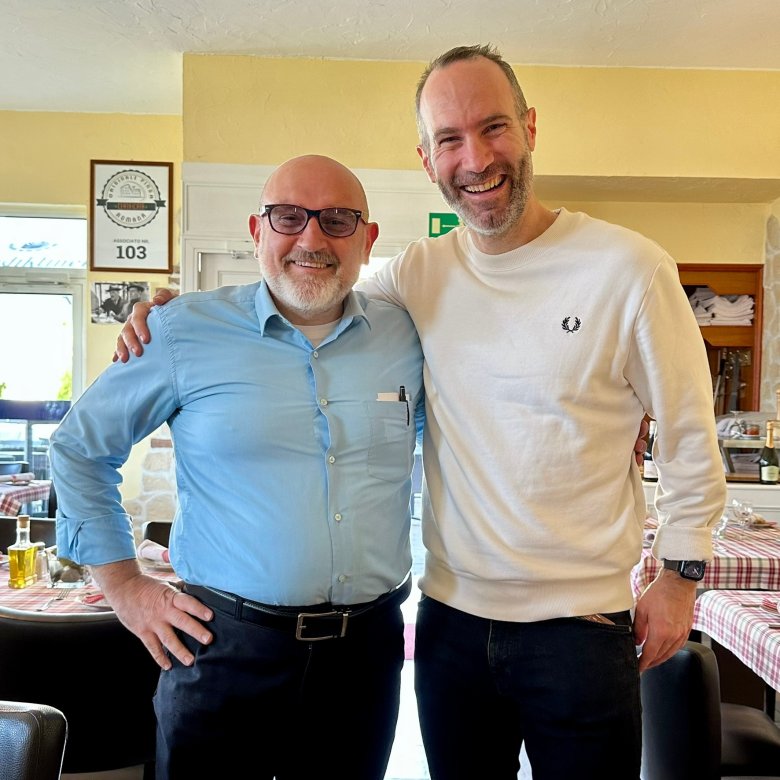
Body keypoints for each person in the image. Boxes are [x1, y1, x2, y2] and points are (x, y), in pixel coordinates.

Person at [116, 45, 726, 780]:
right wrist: (182, 314)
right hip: (450, 626)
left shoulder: (629, 268)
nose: (475, 158)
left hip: (581, 631)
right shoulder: (417, 274)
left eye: (494, 128)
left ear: (530, 128)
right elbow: (315, 295)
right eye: (449, 139)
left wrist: (680, 577)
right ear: (426, 158)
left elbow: (691, 432)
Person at [50, 154, 424, 780]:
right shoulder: (178, 330)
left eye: (336, 220)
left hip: (366, 654)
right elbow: (80, 448)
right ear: (257, 232)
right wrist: (126, 589)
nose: (311, 238)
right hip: (222, 648)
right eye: (288, 217)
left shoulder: (409, 336)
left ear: (367, 239)